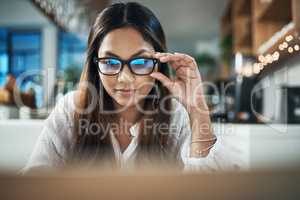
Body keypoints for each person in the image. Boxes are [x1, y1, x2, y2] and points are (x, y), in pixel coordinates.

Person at [22, 2, 240, 173]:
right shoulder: (70, 110)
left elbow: (207, 191)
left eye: (141, 62)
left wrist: (197, 108)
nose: (125, 78)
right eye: (110, 62)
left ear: (159, 62)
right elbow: (34, 186)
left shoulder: (175, 116)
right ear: (94, 65)